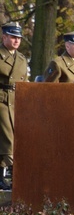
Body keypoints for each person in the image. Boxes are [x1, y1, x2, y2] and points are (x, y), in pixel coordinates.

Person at [0, 22, 28, 189]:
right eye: (13, 37)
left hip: (16, 102)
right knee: (8, 140)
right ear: (4, 37)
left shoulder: (22, 59)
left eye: (18, 38)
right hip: (1, 100)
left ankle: (3, 177)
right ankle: (18, 172)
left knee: (9, 139)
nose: (16, 40)